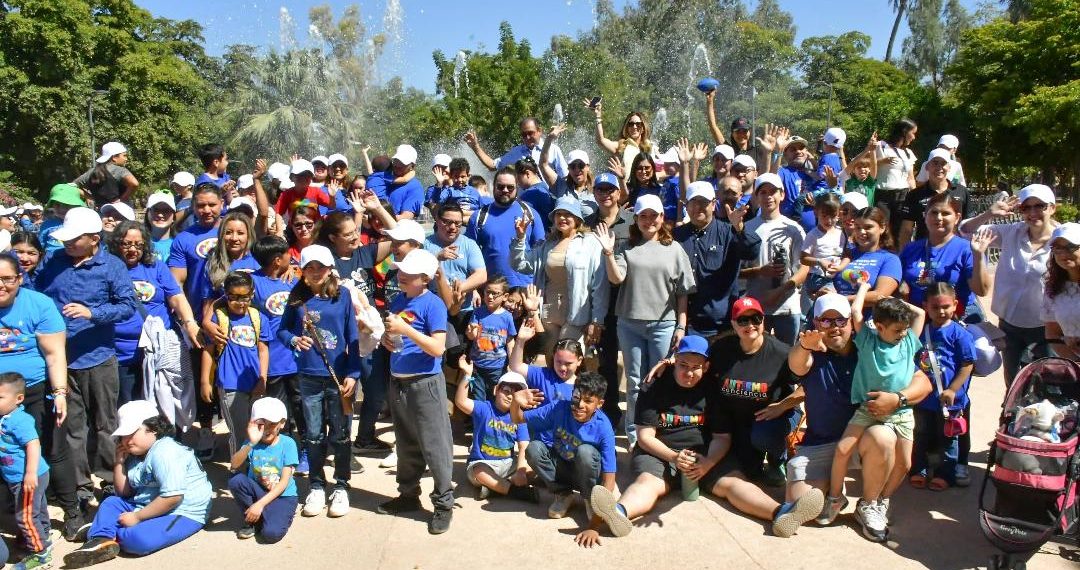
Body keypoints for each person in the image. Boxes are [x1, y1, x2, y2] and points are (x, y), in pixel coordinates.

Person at [591, 334, 820, 540]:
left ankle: (781, 514)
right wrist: (673, 457)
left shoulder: (713, 389)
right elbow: (644, 436)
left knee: (735, 483)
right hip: (661, 452)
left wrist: (708, 462)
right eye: (683, 365)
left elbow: (722, 437)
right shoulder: (655, 385)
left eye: (696, 367)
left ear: (706, 367)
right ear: (674, 361)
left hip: (705, 454)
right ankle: (619, 512)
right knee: (648, 484)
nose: (689, 373)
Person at [788, 293, 933, 529]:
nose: (833, 327)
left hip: (864, 441)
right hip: (821, 443)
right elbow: (796, 364)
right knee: (799, 503)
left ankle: (869, 503)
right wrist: (805, 346)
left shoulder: (873, 346)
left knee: (883, 437)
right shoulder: (811, 350)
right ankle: (831, 492)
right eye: (826, 321)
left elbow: (923, 382)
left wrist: (898, 398)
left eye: (840, 321)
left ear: (850, 322)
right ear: (815, 323)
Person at [35, 207, 136, 507]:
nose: (67, 244)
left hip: (99, 357)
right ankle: (80, 485)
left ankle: (107, 479)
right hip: (61, 361)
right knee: (72, 427)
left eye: (74, 239)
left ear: (94, 239)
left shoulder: (112, 266)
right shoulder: (54, 262)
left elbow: (127, 305)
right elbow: (34, 291)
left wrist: (93, 313)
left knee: (105, 424)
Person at [828, 281, 925, 543]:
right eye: (896, 329)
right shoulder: (868, 340)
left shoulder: (908, 342)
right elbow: (857, 312)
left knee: (905, 463)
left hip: (901, 411)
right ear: (879, 326)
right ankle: (835, 499)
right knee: (842, 450)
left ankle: (880, 501)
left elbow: (921, 315)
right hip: (868, 408)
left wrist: (891, 300)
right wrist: (864, 289)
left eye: (904, 329)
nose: (902, 333)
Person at [62, 401, 212, 568]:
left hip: (185, 512)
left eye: (131, 433)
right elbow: (123, 493)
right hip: (149, 504)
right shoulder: (135, 453)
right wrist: (118, 462)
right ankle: (101, 539)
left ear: (153, 428)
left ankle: (103, 529)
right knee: (111, 502)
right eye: (123, 435)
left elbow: (172, 498)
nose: (126, 441)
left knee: (135, 539)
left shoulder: (165, 452)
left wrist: (137, 517)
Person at [597, 194, 695, 446]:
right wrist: (608, 253)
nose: (649, 220)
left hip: (664, 325)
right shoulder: (626, 247)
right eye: (643, 216)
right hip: (630, 323)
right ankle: (634, 435)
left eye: (654, 215)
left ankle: (659, 433)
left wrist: (681, 325)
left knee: (660, 379)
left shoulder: (674, 249)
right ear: (636, 219)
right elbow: (616, 278)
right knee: (634, 381)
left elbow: (683, 293)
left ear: (662, 218)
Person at [373, 249, 454, 535]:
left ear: (425, 278)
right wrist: (387, 337)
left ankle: (443, 503)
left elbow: (437, 348)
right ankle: (408, 495)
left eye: (407, 274)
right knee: (406, 444)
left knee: (435, 446)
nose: (401, 276)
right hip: (399, 382)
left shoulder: (433, 305)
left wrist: (405, 330)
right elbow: (395, 336)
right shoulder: (400, 300)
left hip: (425, 383)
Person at [279, 245, 361, 519]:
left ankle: (341, 485)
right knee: (313, 434)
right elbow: (282, 330)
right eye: (309, 267)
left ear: (330, 269)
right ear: (302, 270)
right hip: (309, 376)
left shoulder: (343, 295)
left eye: (320, 267)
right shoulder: (297, 297)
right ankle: (316, 485)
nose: (315, 272)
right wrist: (293, 340)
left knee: (340, 433)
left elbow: (352, 338)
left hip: (338, 377)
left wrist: (353, 373)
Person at [959, 184, 1057, 385]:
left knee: (1048, 385)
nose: (1033, 213)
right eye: (1026, 208)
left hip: (1047, 327)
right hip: (1010, 324)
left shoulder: (1063, 239)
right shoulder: (1011, 232)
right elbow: (966, 231)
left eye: (1039, 206)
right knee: (1014, 384)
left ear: (1052, 208)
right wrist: (990, 213)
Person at [510, 371, 617, 546]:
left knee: (585, 452)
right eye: (577, 397)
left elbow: (609, 481)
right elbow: (518, 418)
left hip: (589, 473)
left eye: (588, 401)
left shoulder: (604, 428)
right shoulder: (559, 407)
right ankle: (563, 493)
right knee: (534, 449)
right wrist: (516, 401)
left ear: (600, 404)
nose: (579, 405)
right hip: (563, 467)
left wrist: (594, 526)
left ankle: (590, 498)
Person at [108, 221, 200, 407]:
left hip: (158, 351)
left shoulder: (155, 267)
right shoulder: (107, 269)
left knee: (161, 405)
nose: (133, 249)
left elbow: (176, 298)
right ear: (116, 244)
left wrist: (190, 322)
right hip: (122, 353)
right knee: (129, 406)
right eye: (126, 244)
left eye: (138, 244)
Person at [512, 196, 609, 356]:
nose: (562, 218)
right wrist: (520, 238)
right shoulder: (547, 244)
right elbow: (520, 265)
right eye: (558, 214)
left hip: (577, 316)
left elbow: (600, 285)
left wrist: (597, 320)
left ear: (577, 218)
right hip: (548, 313)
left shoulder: (591, 243)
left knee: (569, 363)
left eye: (568, 214)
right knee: (550, 361)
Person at [673, 177, 759, 338]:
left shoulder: (728, 232)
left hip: (720, 324)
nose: (698, 207)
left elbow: (751, 252)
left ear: (713, 204)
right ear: (686, 205)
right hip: (684, 322)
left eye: (704, 202)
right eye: (693, 202)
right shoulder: (676, 235)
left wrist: (740, 229)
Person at [910, 282, 976, 490]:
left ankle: (945, 473)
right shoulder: (922, 331)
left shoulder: (960, 334)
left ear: (955, 305)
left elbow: (967, 364)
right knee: (920, 434)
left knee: (948, 438)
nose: (941, 311)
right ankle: (919, 469)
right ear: (925, 307)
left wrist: (953, 389)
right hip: (924, 399)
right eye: (935, 307)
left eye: (946, 306)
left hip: (951, 401)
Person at [250, 236, 306, 474]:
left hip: (297, 356)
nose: (291, 258)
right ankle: (280, 453)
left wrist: (297, 272)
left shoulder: (294, 278)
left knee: (301, 408)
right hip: (272, 360)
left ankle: (305, 452)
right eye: (286, 255)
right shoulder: (253, 282)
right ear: (276, 260)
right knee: (276, 411)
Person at [201, 271, 270, 458]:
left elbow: (263, 350)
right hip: (230, 383)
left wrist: (263, 378)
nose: (240, 302)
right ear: (226, 295)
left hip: (254, 382)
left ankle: (254, 469)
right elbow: (208, 350)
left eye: (245, 297)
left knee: (257, 429)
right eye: (234, 297)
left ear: (252, 294)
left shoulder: (258, 318)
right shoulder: (219, 318)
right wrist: (205, 382)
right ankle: (238, 471)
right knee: (239, 432)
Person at [899, 192, 988, 322]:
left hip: (959, 318)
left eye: (946, 213)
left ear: (957, 218)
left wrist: (979, 256)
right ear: (925, 216)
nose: (939, 218)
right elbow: (897, 281)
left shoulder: (967, 249)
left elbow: (982, 291)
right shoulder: (911, 249)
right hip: (919, 319)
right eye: (933, 213)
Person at [741, 173, 808, 344]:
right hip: (756, 307)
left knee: (787, 358)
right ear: (756, 197)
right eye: (763, 192)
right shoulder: (746, 229)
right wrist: (760, 271)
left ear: (782, 194)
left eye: (773, 191)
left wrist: (779, 291)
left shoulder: (793, 229)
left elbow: (804, 268)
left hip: (786, 308)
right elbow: (737, 272)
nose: (768, 196)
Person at [453, 364, 537, 502]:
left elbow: (523, 446)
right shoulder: (484, 408)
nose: (510, 396)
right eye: (506, 391)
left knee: (532, 467)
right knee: (479, 471)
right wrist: (467, 375)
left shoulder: (520, 416)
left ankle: (495, 488)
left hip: (509, 464)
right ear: (495, 390)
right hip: (483, 463)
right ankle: (513, 491)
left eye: (516, 394)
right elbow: (461, 401)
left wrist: (521, 471)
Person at [227, 396, 299, 543]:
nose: (266, 429)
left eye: (272, 424)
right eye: (261, 424)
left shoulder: (288, 444)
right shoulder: (252, 442)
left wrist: (260, 504)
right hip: (259, 491)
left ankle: (274, 513)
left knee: (270, 535)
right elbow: (234, 464)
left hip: (283, 496)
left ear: (282, 423)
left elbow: (284, 483)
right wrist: (251, 444)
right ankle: (253, 520)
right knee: (236, 481)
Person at [0, 372, 53, 568]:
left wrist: (30, 474)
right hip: (18, 477)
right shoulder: (4, 417)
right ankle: (42, 535)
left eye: (0, 397)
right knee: (37, 510)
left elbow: (33, 444)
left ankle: (40, 554)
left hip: (29, 476)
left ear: (19, 398)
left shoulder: (19, 420)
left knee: (25, 516)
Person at [465, 167, 546, 288]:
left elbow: (541, 253)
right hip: (492, 292)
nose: (505, 190)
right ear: (493, 186)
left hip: (525, 290)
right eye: (500, 186)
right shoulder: (479, 217)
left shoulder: (530, 214)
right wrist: (474, 289)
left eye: (510, 187)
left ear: (517, 187)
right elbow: (469, 255)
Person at [424, 202, 487, 336]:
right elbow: (416, 273)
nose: (452, 227)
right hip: (433, 309)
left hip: (464, 310)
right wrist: (437, 257)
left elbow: (481, 275)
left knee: (461, 355)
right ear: (437, 220)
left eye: (457, 223)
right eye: (447, 222)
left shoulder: (469, 244)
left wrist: (456, 291)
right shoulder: (425, 244)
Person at [898, 147, 971, 250]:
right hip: (924, 251)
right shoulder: (915, 195)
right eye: (935, 163)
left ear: (949, 167)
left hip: (955, 251)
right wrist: (904, 255)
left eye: (943, 163)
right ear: (927, 167)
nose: (939, 167)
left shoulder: (962, 192)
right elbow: (906, 230)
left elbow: (968, 227)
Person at [832, 206, 901, 308]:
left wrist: (841, 300)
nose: (861, 232)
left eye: (868, 227)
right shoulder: (846, 253)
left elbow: (880, 296)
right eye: (858, 227)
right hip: (832, 317)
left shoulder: (890, 259)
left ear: (882, 228)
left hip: (865, 320)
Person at [465, 275, 517, 399]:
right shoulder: (478, 313)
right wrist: (471, 332)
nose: (490, 296)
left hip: (497, 367)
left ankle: (494, 418)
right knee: (478, 397)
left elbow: (510, 341)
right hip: (477, 365)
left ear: (505, 296)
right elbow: (471, 336)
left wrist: (512, 363)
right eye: (487, 292)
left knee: (496, 397)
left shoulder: (507, 317)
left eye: (495, 293)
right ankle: (480, 418)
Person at [466, 117, 568, 179]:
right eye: (524, 134)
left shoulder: (554, 150)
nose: (527, 137)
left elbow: (565, 176)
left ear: (539, 131)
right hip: (525, 204)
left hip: (550, 201)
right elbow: (493, 166)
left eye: (530, 133)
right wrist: (476, 147)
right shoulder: (517, 152)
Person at [1042, 222, 1080, 361]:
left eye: (1071, 247)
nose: (1063, 253)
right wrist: (1075, 364)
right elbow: (1052, 334)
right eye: (1057, 248)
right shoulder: (1052, 288)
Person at [874, 118, 918, 233]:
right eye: (912, 133)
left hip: (902, 196)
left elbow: (911, 178)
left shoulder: (908, 153)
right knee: (883, 229)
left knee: (899, 230)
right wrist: (882, 161)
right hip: (883, 195)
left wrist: (915, 196)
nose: (914, 137)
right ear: (904, 131)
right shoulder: (881, 146)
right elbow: (865, 165)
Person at [541, 127, 597, 216]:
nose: (577, 169)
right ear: (568, 168)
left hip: (590, 230)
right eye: (572, 166)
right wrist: (549, 139)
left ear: (588, 167)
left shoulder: (598, 188)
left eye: (581, 165)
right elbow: (543, 165)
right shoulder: (560, 186)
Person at [801, 193, 850, 295]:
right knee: (830, 296)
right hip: (818, 277)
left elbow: (846, 255)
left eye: (833, 216)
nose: (828, 220)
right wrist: (820, 262)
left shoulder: (841, 233)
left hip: (836, 275)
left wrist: (840, 267)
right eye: (824, 216)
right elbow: (803, 258)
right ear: (816, 213)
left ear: (838, 215)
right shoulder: (813, 235)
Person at [72, 141, 139, 205]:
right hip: (119, 212)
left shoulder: (92, 172)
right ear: (114, 157)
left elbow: (73, 186)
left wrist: (89, 197)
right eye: (124, 155)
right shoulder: (119, 170)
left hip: (99, 212)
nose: (126, 159)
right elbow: (134, 184)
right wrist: (122, 200)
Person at [38, 183, 87, 254]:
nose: (62, 208)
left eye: (67, 205)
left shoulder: (84, 224)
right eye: (57, 204)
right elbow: (39, 246)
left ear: (76, 206)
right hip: (51, 262)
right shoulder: (47, 225)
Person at [144, 191, 178, 263]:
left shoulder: (180, 243)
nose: (160, 215)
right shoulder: (141, 243)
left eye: (166, 210)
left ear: (173, 217)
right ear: (148, 214)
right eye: (156, 210)